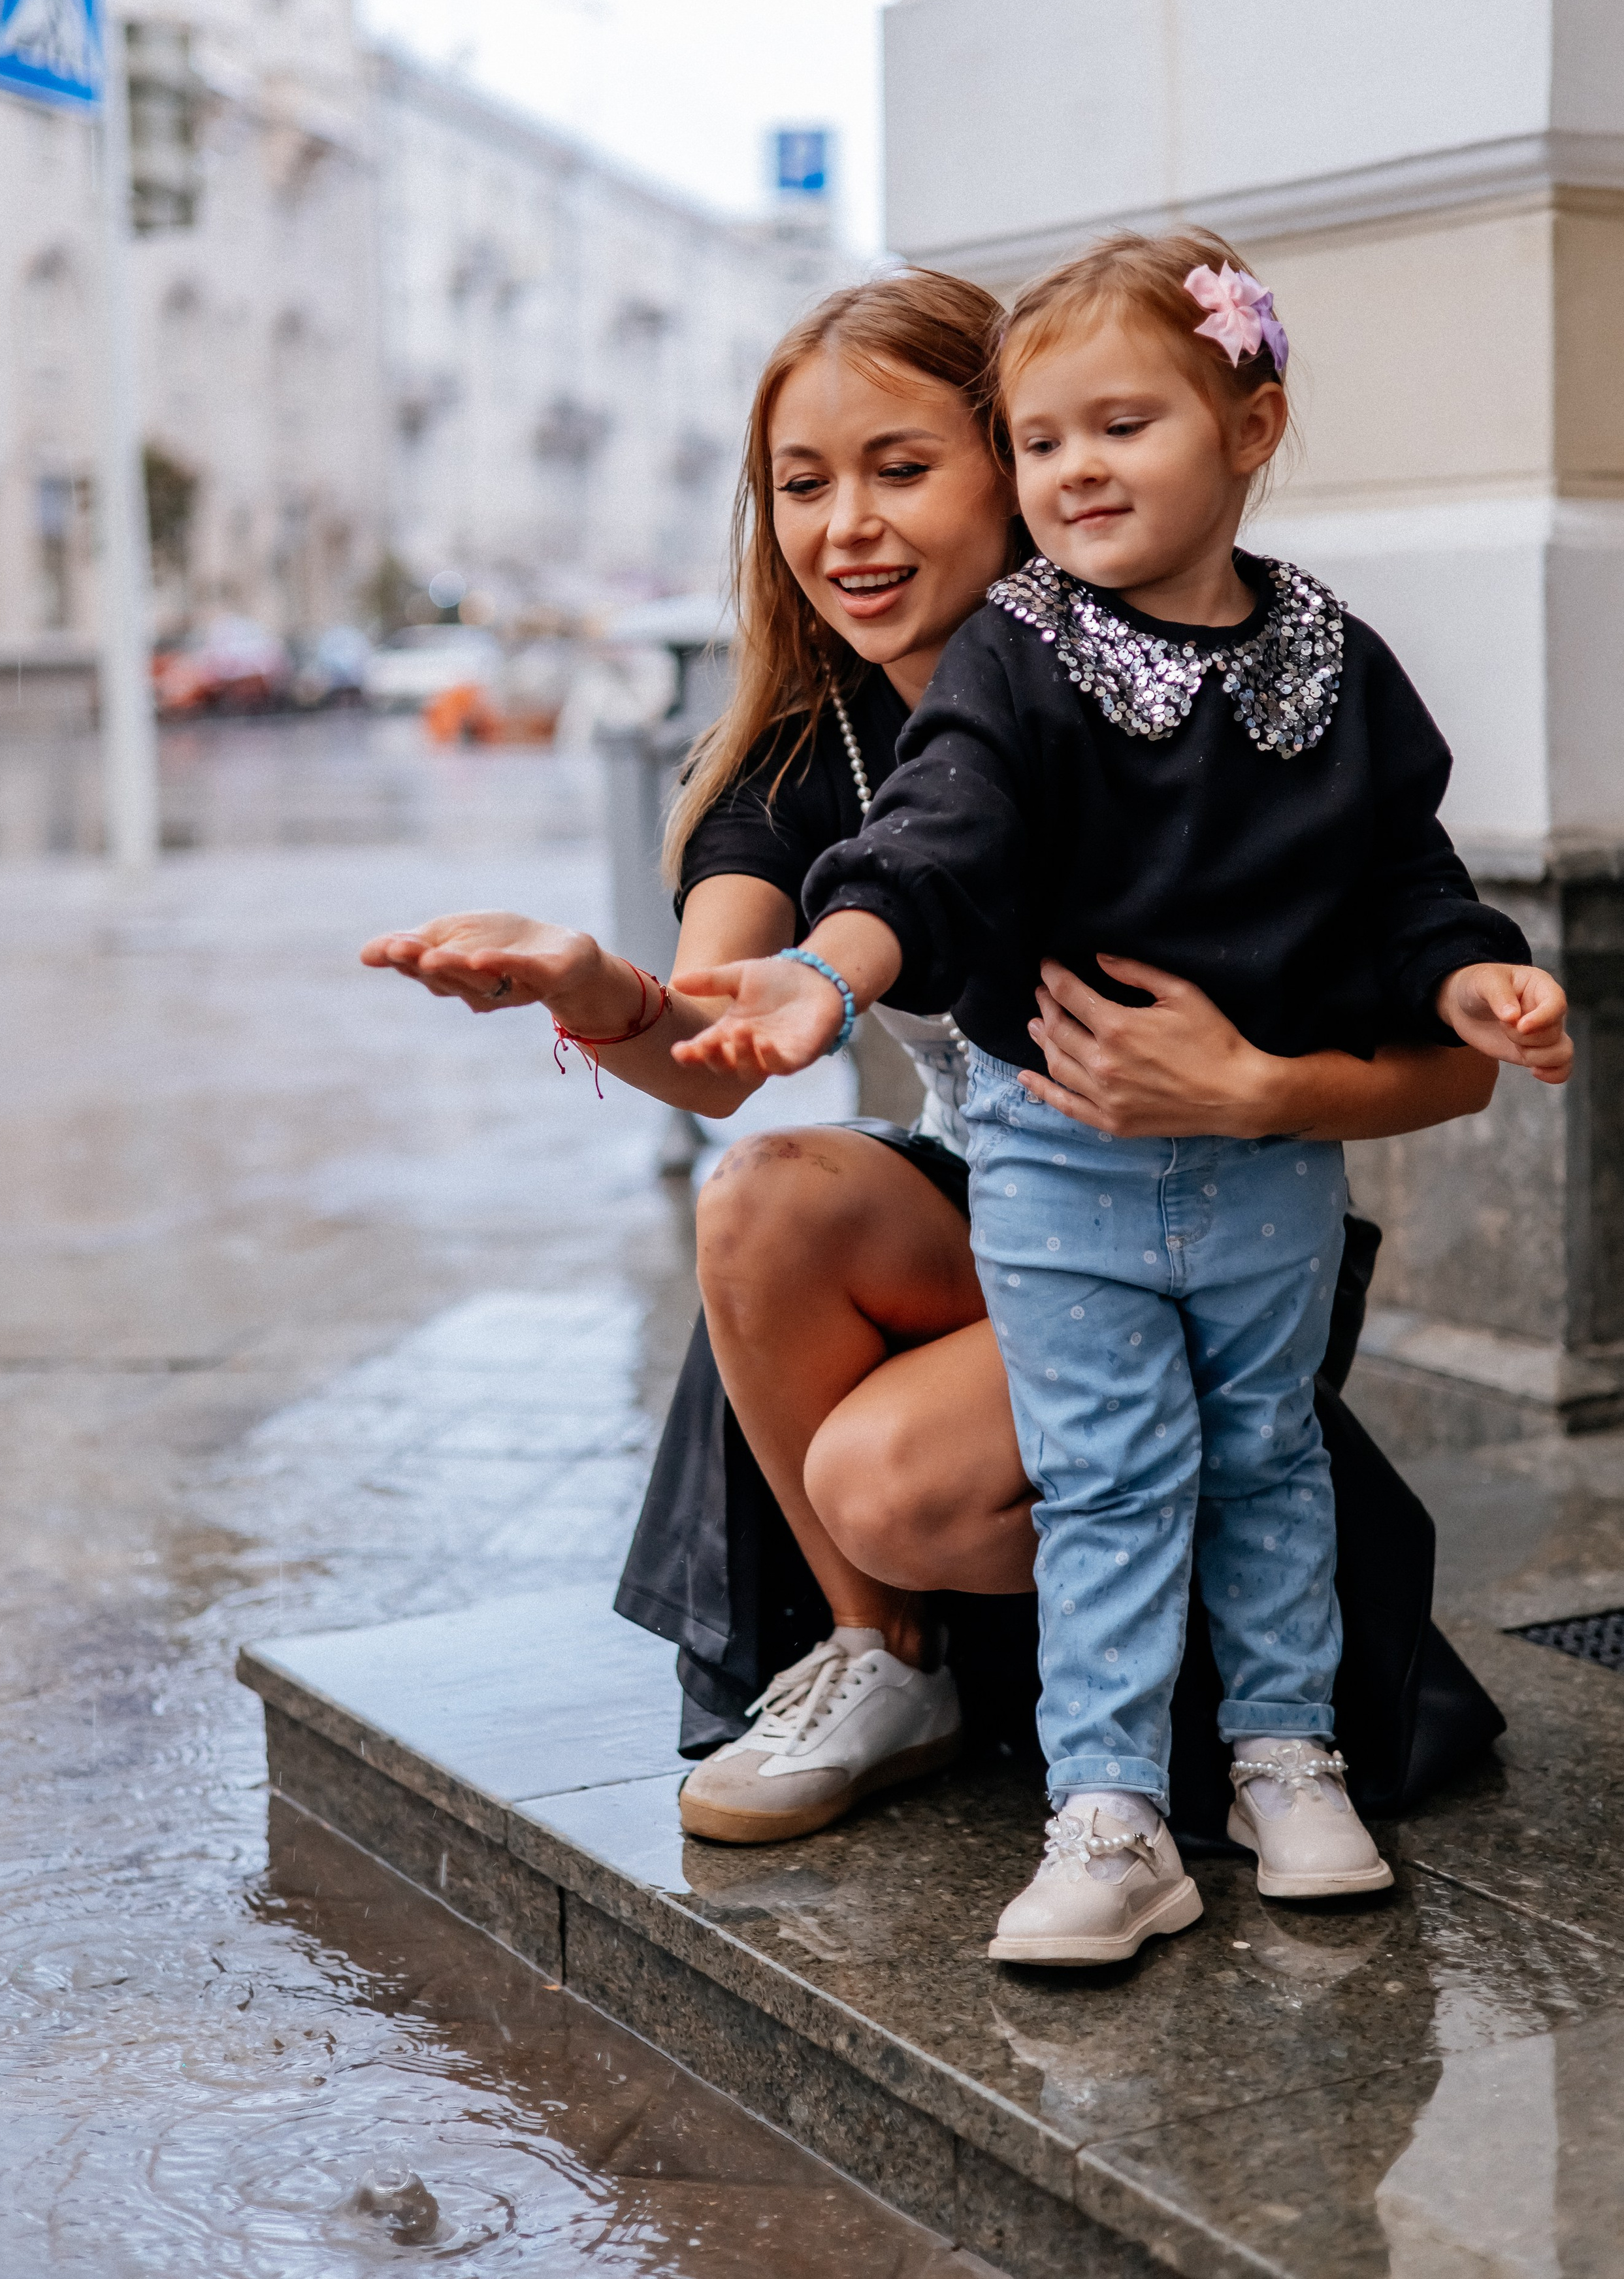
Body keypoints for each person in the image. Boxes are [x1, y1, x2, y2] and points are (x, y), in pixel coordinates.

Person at [359, 266, 1507, 1874]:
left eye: (901, 468)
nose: (846, 528)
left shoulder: (1191, 699)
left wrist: (1251, 1088)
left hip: (1230, 1216)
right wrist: (600, 990)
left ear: (1008, 462)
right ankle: (882, 1663)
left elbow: (1452, 1073)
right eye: (801, 486)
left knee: (884, 1478)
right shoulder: (799, 749)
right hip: (1014, 1213)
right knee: (766, 1193)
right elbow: (722, 1056)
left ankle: (1233, 1700)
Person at [670, 234, 1570, 1964]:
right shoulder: (990, 682)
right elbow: (925, 861)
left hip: (1268, 1171)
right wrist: (806, 975)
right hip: (1047, 1174)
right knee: (1110, 1471)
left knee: (1263, 1462)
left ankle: (1284, 1760)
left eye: (1117, 429)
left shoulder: (1332, 658)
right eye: (1044, 439)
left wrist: (1456, 989)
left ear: (1249, 428)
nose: (1074, 471)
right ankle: (1097, 1800)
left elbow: (1409, 886)